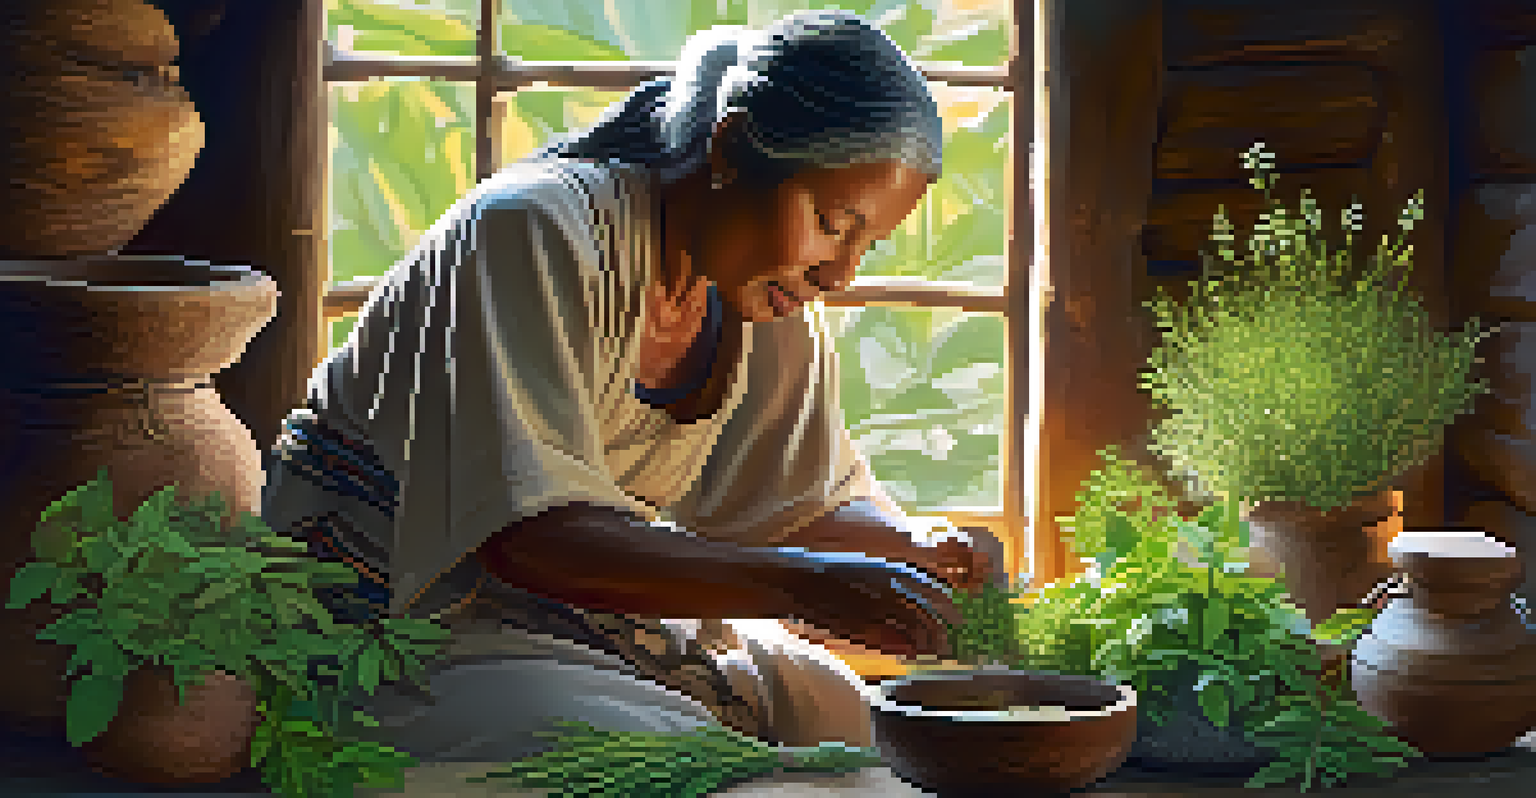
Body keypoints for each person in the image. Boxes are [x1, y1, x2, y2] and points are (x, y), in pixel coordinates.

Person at [260, 9, 1006, 763]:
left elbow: (800, 505)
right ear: (732, 148)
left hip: (565, 619)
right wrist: (805, 586)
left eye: (865, 245)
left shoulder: (764, 301)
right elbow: (531, 538)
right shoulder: (532, 232)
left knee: (844, 711)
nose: (838, 274)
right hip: (393, 623)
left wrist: (918, 550)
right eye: (830, 221)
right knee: (671, 753)